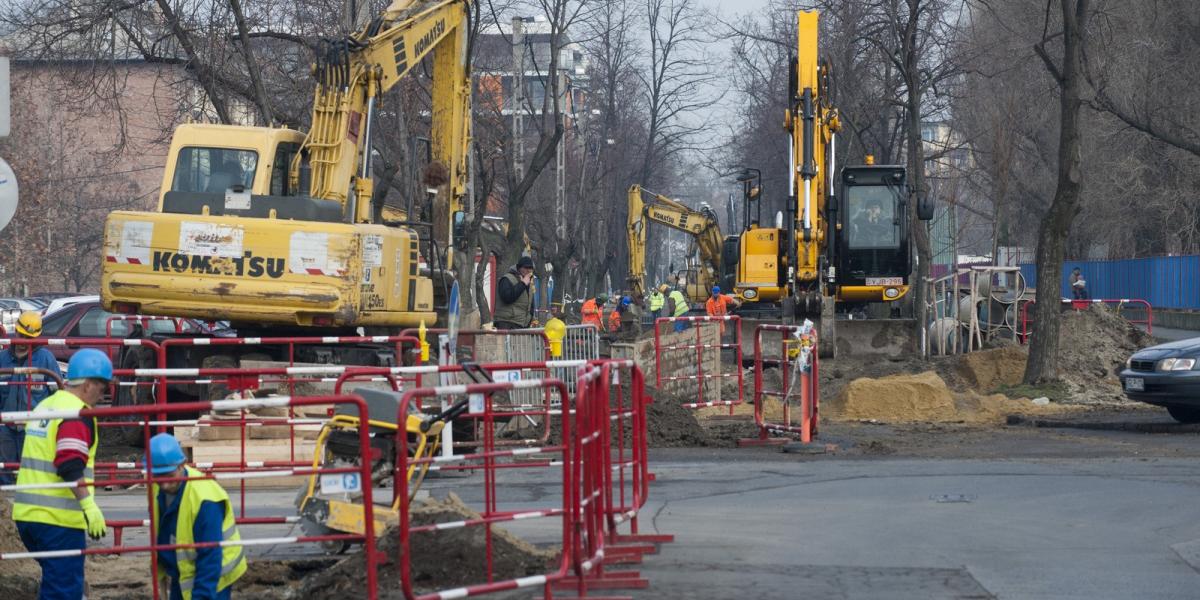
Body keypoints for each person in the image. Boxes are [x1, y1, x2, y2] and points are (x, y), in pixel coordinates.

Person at [13, 348, 113, 600]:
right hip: (58, 521)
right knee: (62, 592)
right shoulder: (76, 414)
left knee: (59, 584)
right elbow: (69, 464)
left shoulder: (46, 406)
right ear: (88, 384)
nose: (103, 395)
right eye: (102, 388)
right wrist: (89, 506)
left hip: (28, 516)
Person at [148, 433, 247, 600]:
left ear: (182, 465)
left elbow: (210, 559)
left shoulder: (205, 499)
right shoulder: (156, 487)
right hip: (182, 570)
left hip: (216, 575)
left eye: (169, 476)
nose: (163, 483)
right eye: (158, 477)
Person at [0, 311, 63, 485]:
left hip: (35, 425)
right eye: (22, 335)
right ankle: (5, 504)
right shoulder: (3, 359)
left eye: (29, 337)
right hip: (6, 425)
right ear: (16, 331)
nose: (24, 341)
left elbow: (57, 393)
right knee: (4, 468)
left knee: (32, 470)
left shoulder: (45, 359)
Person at [494, 256, 535, 330]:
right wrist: (522, 284)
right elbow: (507, 298)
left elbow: (530, 306)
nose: (528, 270)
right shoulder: (507, 279)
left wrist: (528, 322)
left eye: (530, 268)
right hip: (506, 323)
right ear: (519, 268)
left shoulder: (529, 284)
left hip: (521, 325)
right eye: (526, 268)